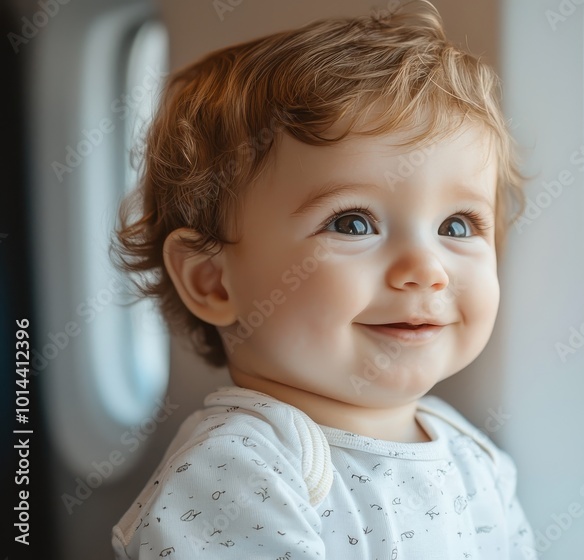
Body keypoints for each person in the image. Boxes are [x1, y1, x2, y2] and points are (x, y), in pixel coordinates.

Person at [110, 2, 535, 558]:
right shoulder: (240, 469)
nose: (426, 270)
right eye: (353, 223)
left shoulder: (474, 460)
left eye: (457, 225)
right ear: (213, 280)